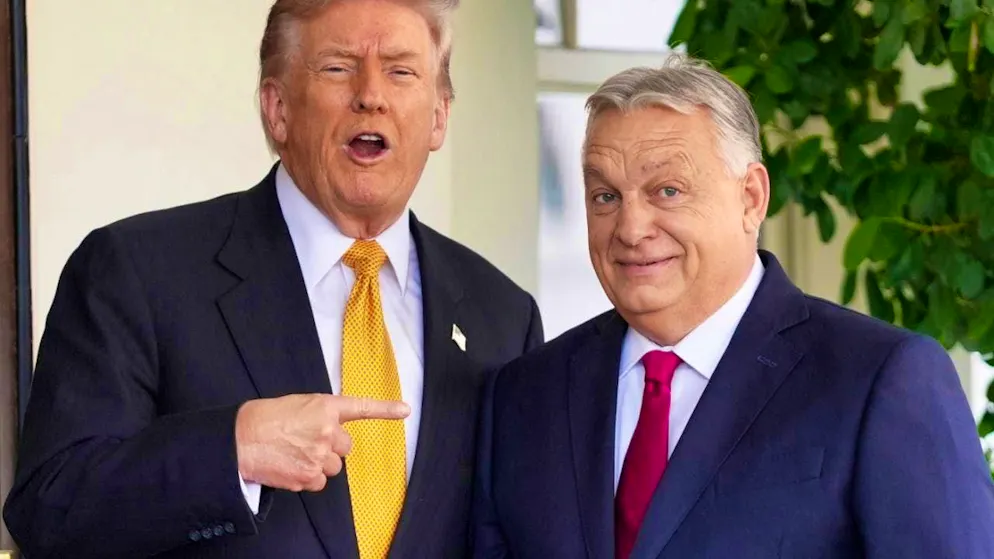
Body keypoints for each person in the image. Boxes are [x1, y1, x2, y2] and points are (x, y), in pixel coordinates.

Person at [5, 0, 544, 557]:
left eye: (401, 71)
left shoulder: (503, 317)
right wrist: (232, 451)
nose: (371, 95)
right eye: (338, 67)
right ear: (277, 108)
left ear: (439, 116)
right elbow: (50, 509)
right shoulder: (136, 270)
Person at [472, 54, 994, 559]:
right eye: (606, 196)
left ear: (751, 198)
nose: (630, 229)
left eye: (667, 190)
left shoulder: (880, 378)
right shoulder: (525, 394)